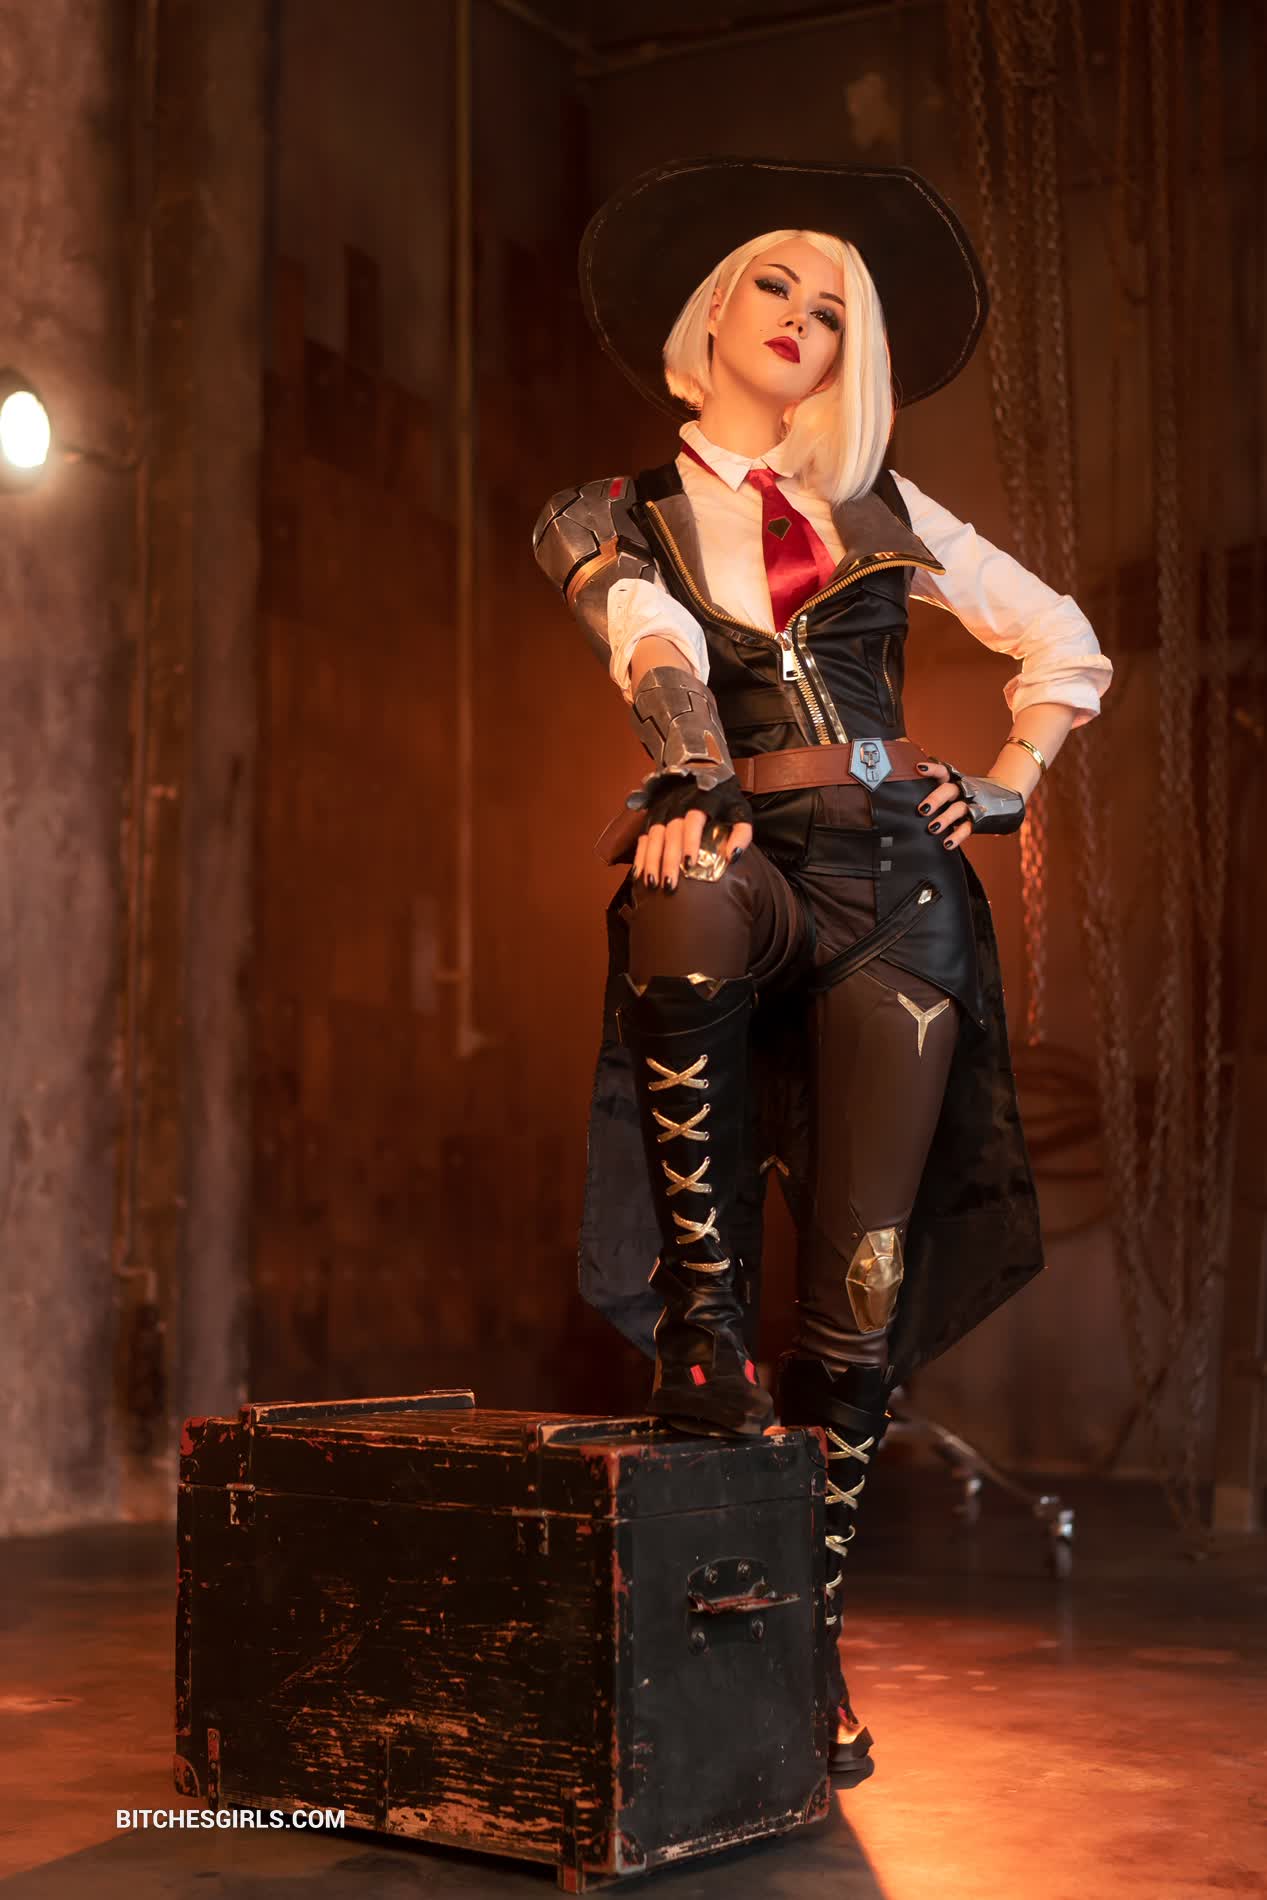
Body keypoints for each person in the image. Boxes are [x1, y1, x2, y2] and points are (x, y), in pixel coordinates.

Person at [533, 158, 1112, 1779]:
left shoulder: (889, 511)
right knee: (682, 883)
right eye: (776, 284)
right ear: (710, 311)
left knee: (859, 1302)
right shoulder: (610, 510)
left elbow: (1064, 639)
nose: (804, 317)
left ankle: (807, 1646)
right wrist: (690, 781)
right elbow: (649, 639)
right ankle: (703, 1317)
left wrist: (1009, 780)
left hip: (900, 888)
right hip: (748, 849)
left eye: (835, 307)